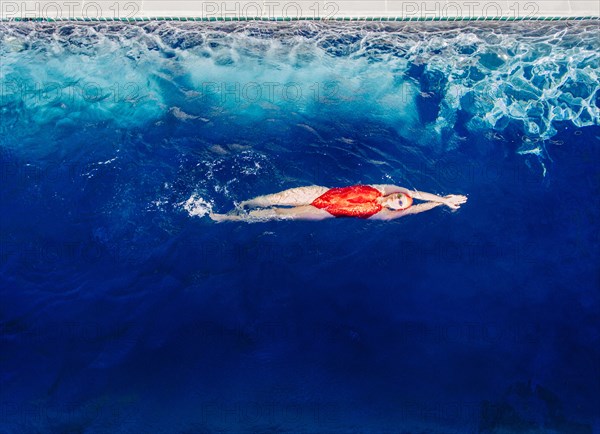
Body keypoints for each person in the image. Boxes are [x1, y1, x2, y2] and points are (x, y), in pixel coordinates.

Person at [209, 184, 467, 222]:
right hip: (319, 192)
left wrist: (442, 204)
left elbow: (418, 205)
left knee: (278, 213)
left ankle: (229, 217)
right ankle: (243, 203)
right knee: (274, 198)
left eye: (400, 202)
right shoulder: (383, 187)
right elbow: (416, 193)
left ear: (396, 208)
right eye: (399, 197)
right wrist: (442, 197)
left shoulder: (385, 215)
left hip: (323, 211)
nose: (398, 198)